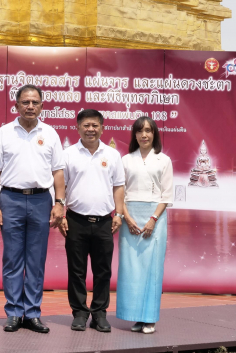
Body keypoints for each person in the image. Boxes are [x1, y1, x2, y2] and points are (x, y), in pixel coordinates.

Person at [0, 85, 66, 334]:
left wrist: (59, 203)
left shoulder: (50, 134)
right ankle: (13, 312)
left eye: (35, 102)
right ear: (16, 105)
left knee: (36, 261)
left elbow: (58, 172)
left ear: (42, 106)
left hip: (41, 201)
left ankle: (32, 313)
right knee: (12, 259)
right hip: (10, 200)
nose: (30, 106)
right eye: (25, 102)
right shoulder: (4, 133)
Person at [59, 109, 124, 333]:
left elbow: (118, 187)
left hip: (105, 221)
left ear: (102, 128)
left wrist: (120, 214)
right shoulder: (68, 154)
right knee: (76, 270)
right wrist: (60, 215)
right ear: (77, 128)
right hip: (75, 220)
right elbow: (60, 187)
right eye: (86, 125)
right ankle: (79, 312)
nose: (90, 129)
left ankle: (99, 314)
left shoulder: (113, 155)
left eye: (95, 125)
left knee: (103, 270)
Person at [117, 116, 174, 335]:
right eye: (140, 131)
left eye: (148, 131)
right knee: (131, 268)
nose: (144, 135)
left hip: (155, 218)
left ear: (154, 134)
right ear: (135, 135)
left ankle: (149, 318)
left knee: (152, 269)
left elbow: (166, 195)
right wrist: (127, 218)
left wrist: (152, 220)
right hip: (129, 217)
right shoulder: (125, 160)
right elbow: (120, 192)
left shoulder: (164, 160)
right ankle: (135, 317)